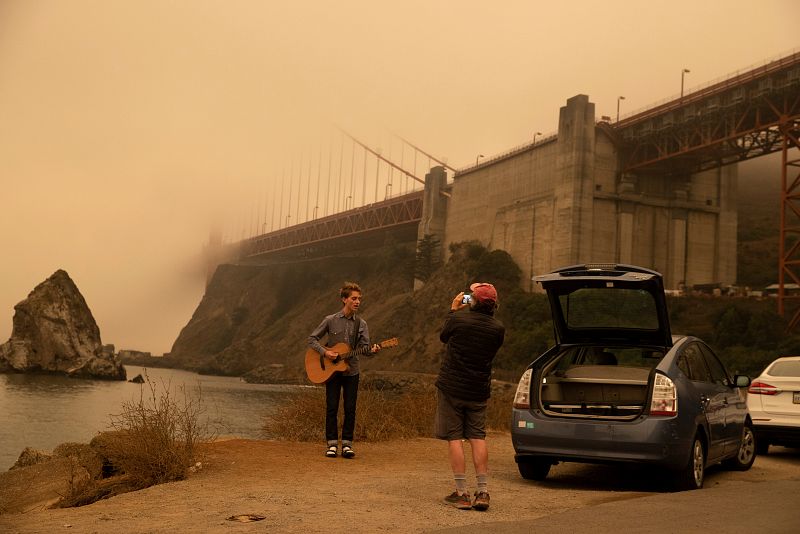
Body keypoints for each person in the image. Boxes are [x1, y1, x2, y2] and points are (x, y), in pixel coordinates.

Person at [436, 282, 505, 511]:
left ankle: (462, 493)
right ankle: (483, 492)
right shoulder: (498, 328)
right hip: (478, 390)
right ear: (494, 305)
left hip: (452, 388)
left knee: (455, 437)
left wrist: (453, 309)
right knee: (477, 436)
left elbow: (444, 336)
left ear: (472, 301)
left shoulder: (458, 320)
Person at [308, 281, 380, 459]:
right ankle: (332, 444)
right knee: (331, 407)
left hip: (352, 371)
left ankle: (347, 444)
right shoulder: (330, 320)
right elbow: (312, 339)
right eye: (354, 298)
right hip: (331, 371)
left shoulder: (361, 324)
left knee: (350, 408)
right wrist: (326, 352)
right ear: (344, 299)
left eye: (359, 299)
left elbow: (365, 349)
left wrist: (373, 350)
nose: (357, 302)